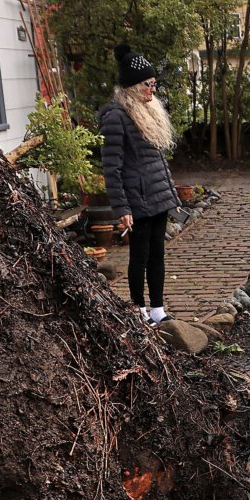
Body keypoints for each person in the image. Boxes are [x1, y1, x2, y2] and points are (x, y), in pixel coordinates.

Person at [99, 43, 181, 324]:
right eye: (149, 84)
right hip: (137, 200)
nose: (153, 89)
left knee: (157, 254)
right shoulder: (116, 118)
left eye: (155, 83)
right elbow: (112, 167)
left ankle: (158, 309)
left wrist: (170, 193)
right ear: (134, 85)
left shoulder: (150, 112)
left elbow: (157, 162)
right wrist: (121, 207)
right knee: (140, 256)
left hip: (157, 197)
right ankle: (139, 310)